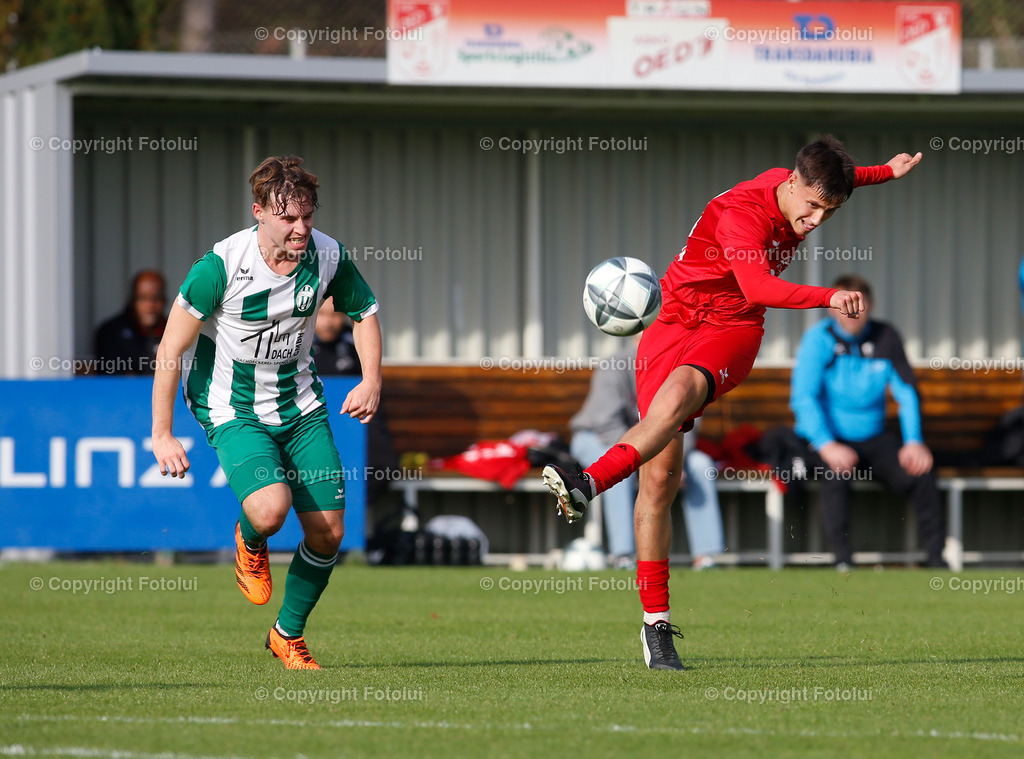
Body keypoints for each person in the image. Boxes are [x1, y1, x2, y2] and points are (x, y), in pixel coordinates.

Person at [542, 136, 922, 671]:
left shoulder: (806, 186)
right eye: (812, 206)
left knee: (676, 400)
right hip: (672, 319)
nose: (815, 220)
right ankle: (655, 627)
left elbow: (838, 186)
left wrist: (886, 171)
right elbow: (760, 284)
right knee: (658, 480)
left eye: (828, 211)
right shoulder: (744, 215)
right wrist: (827, 296)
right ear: (791, 183)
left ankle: (587, 482)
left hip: (732, 328)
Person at [151, 156, 382, 670]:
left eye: (307, 216)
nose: (301, 228)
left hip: (300, 405)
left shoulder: (328, 254)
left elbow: (365, 313)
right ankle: (249, 538)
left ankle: (287, 634)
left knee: (329, 532)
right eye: (288, 219)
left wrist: (372, 379)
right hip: (232, 406)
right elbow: (171, 348)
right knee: (270, 511)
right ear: (259, 212)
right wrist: (162, 433)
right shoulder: (219, 267)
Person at [791, 274, 945, 571]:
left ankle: (936, 561)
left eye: (858, 304)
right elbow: (803, 398)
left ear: (870, 306)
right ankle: (844, 563)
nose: (851, 312)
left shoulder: (886, 336)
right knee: (834, 473)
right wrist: (827, 445)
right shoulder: (818, 339)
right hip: (828, 439)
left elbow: (907, 393)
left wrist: (914, 441)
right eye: (843, 304)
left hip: (874, 439)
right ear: (831, 307)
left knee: (921, 471)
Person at [569, 343, 724, 570]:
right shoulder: (617, 365)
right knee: (614, 470)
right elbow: (607, 425)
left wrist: (670, 461)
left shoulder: (683, 368)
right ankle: (624, 555)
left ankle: (706, 556)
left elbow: (688, 427)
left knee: (701, 465)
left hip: (656, 446)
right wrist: (647, 460)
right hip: (598, 438)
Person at [94, 270, 168, 374]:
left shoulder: (173, 332)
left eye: (156, 298)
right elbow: (112, 376)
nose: (150, 305)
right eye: (143, 298)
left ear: (165, 300)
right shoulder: (111, 332)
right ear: (132, 300)